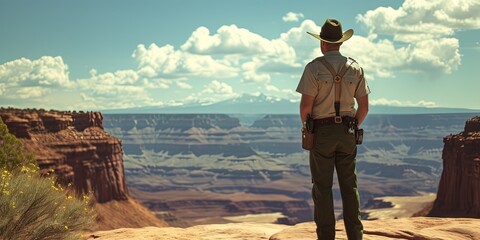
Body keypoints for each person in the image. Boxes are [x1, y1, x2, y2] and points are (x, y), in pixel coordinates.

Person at [296, 19, 370, 240]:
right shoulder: (355, 68)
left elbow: (305, 108)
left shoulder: (314, 68)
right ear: (339, 42)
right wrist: (353, 126)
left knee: (322, 189)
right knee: (350, 187)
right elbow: (364, 107)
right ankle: (355, 236)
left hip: (322, 133)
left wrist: (308, 129)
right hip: (348, 131)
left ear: (323, 43)